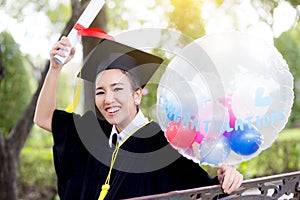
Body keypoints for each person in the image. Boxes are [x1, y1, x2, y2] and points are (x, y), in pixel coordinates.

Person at [34, 36, 243, 200]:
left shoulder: (162, 145)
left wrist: (225, 179)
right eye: (100, 92)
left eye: (117, 89)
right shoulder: (92, 136)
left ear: (137, 95)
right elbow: (43, 118)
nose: (108, 99)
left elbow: (203, 190)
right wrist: (55, 68)